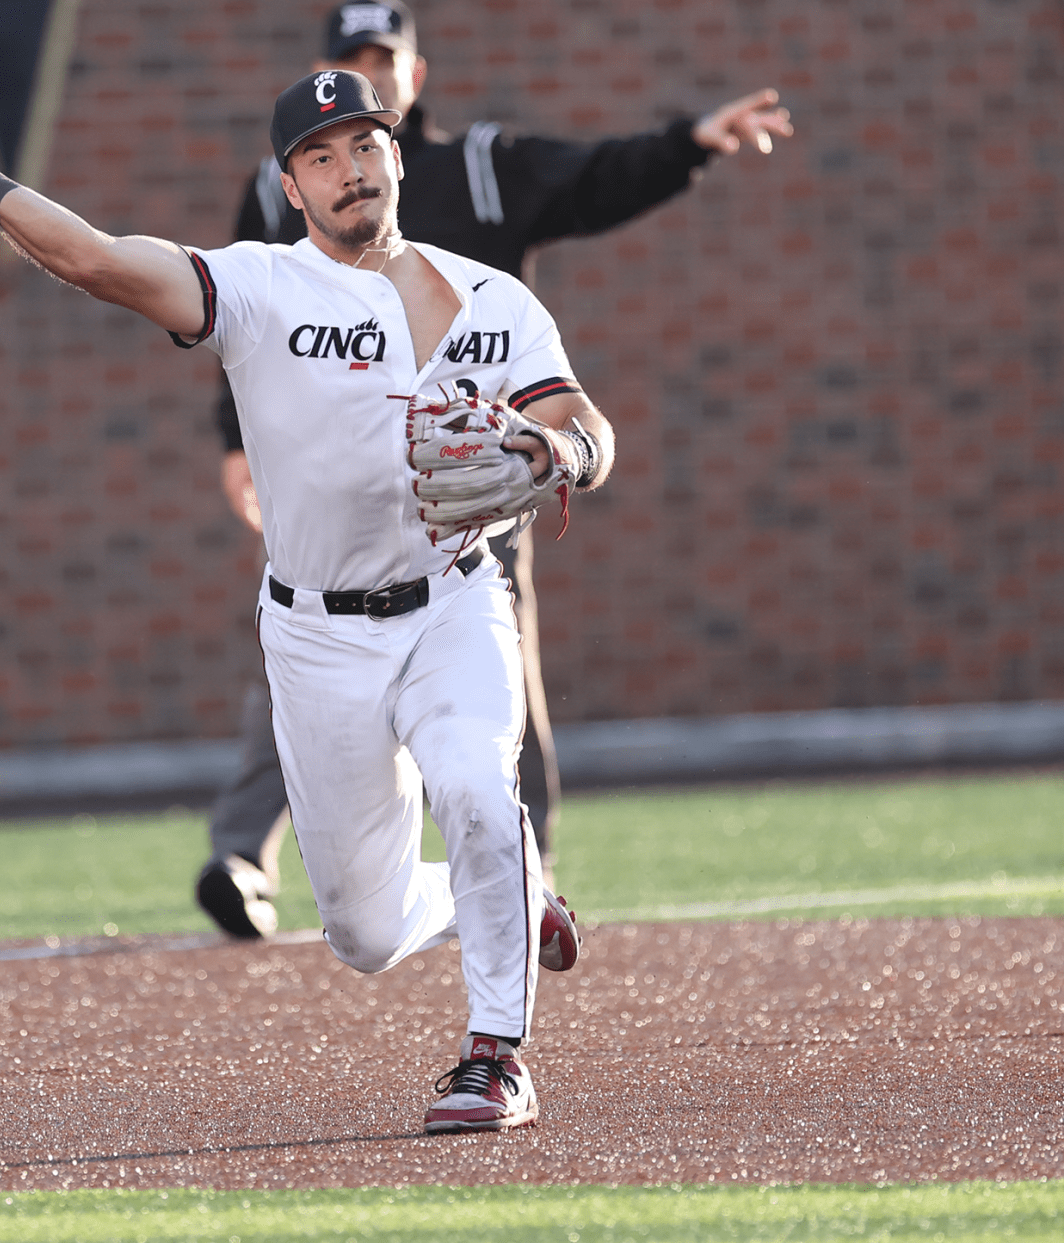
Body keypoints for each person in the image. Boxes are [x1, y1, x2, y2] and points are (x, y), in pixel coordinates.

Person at [0, 67, 784, 1131]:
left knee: (474, 784)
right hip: (315, 638)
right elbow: (90, 258)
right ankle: (509, 892)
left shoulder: (492, 299)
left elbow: (589, 427)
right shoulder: (259, 288)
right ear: (290, 184)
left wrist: (557, 450)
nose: (349, 169)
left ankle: (495, 1056)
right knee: (362, 933)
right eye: (321, 155)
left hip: (455, 601)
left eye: (365, 144)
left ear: (397, 155)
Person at [197, 0, 792, 941]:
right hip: (335, 492)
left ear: (413, 79)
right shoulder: (285, 195)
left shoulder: (478, 167)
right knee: (303, 658)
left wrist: (691, 143)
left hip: (473, 490)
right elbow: (242, 323)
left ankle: (527, 870)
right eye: (355, 57)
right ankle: (240, 854)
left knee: (500, 683)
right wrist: (234, 445)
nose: (373, 72)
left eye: (385, 58)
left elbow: (593, 177)